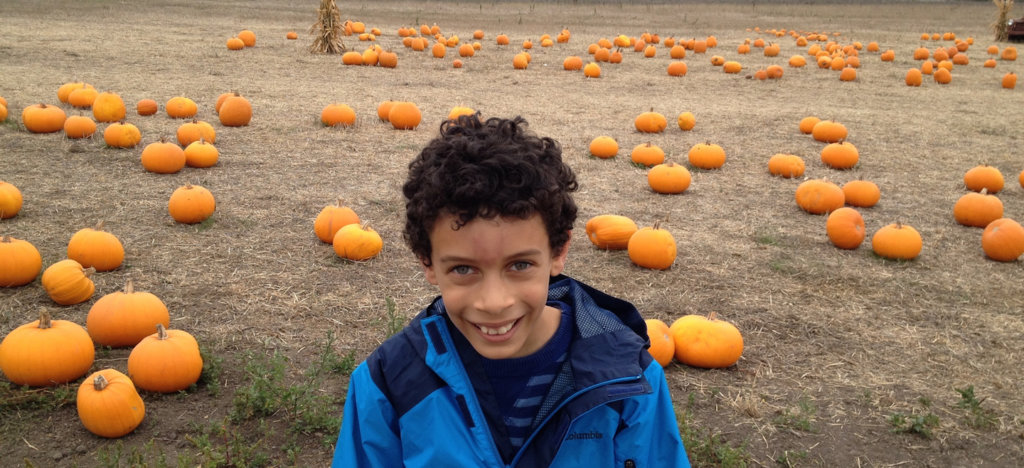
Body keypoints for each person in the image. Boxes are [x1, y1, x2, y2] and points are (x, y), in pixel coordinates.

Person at [332, 115, 690, 467]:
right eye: (463, 269)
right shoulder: (388, 384)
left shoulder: (629, 379)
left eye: (519, 265)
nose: (494, 302)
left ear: (558, 252)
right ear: (427, 262)